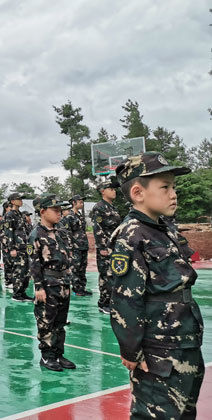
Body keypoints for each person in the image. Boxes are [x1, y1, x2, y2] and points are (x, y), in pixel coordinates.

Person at [109, 152, 204, 418]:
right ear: (138, 193)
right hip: (158, 350)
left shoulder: (165, 228)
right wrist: (131, 349)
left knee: (184, 413)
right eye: (165, 187)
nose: (173, 194)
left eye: (173, 187)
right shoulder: (132, 235)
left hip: (184, 340)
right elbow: (126, 298)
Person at [28, 194, 76, 372]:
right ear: (42, 212)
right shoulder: (36, 235)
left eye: (60, 210)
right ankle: (47, 356)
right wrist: (38, 287)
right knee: (46, 321)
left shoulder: (60, 232)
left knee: (60, 322)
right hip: (48, 284)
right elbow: (34, 263)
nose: (59, 213)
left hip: (63, 283)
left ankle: (58, 354)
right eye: (55, 210)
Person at [90, 178, 122, 314]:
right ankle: (104, 303)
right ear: (103, 191)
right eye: (111, 189)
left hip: (115, 246)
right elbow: (97, 228)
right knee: (105, 275)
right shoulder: (99, 207)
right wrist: (102, 247)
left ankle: (113, 301)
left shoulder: (113, 208)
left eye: (114, 189)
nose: (114, 191)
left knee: (114, 273)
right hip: (106, 247)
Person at [3, 193, 33, 302]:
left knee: (26, 271)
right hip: (17, 247)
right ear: (12, 201)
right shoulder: (9, 215)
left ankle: (22, 292)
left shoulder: (20, 214)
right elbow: (8, 232)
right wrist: (12, 248)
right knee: (19, 271)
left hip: (24, 246)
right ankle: (17, 294)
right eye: (18, 199)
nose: (21, 201)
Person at [61, 195, 90, 296]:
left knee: (82, 267)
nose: (82, 202)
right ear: (73, 202)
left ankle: (82, 287)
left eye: (82, 200)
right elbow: (67, 233)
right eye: (79, 201)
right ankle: (77, 289)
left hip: (83, 246)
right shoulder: (69, 217)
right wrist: (70, 248)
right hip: (75, 247)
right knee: (76, 268)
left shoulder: (80, 216)